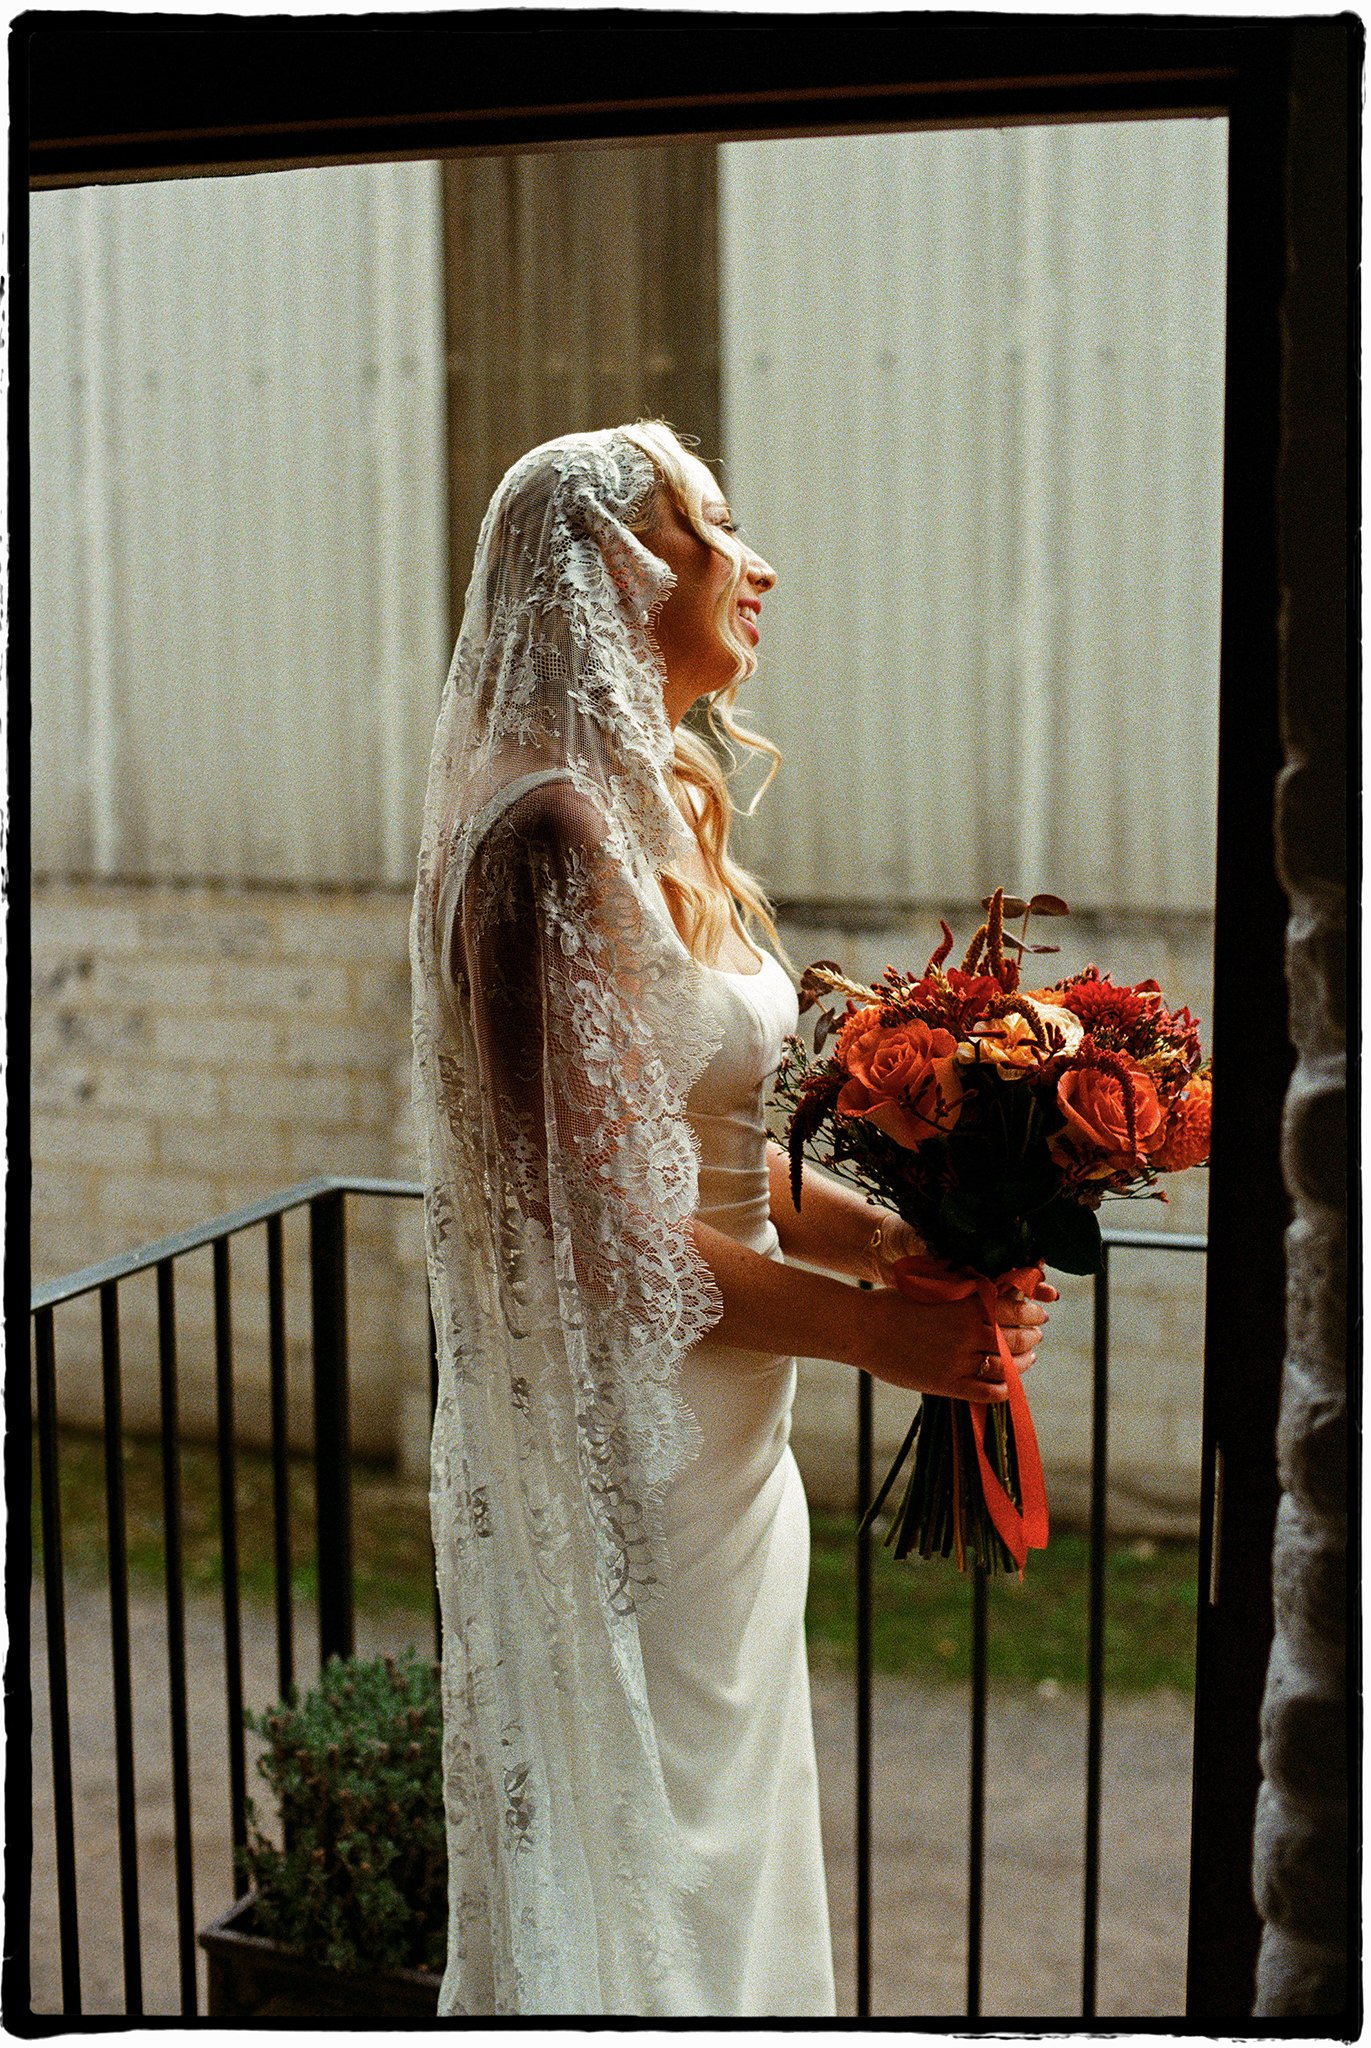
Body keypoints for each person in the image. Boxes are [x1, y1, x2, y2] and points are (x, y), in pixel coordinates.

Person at [410, 422, 1052, 2017]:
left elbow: (695, 1161)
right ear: (618, 572)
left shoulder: (662, 799)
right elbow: (612, 1249)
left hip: (729, 1448)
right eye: (717, 535)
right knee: (648, 1888)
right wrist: (887, 1341)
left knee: (735, 1875)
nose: (756, 567)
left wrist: (898, 1243)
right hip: (630, 1464)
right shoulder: (543, 834)